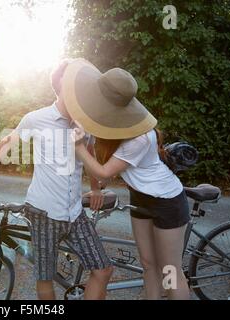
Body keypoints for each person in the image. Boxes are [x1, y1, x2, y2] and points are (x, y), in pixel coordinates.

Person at [0, 59, 113, 300]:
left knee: (103, 269)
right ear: (62, 88)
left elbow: (88, 156)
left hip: (75, 212)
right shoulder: (37, 119)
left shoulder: (85, 123)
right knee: (45, 278)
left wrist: (96, 189)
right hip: (43, 213)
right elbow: (7, 143)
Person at [64, 58, 190, 300]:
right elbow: (99, 177)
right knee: (148, 263)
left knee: (170, 270)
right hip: (140, 198)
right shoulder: (112, 126)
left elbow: (103, 173)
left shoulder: (140, 138)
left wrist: (78, 146)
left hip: (167, 201)